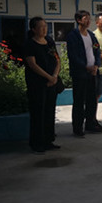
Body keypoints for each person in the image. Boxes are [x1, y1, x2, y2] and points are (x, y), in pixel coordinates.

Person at [24, 17, 61, 154]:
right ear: (33, 29)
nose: (44, 29)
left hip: (52, 83)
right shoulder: (30, 44)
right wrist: (48, 77)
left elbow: (57, 60)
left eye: (45, 26)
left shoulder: (50, 41)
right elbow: (32, 64)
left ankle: (48, 140)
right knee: (38, 113)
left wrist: (55, 76)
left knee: (49, 111)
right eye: (41, 27)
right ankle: (37, 143)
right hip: (37, 84)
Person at [66, 10, 102, 137]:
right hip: (80, 74)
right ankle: (77, 127)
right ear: (78, 20)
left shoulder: (91, 35)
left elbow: (97, 51)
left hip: (92, 73)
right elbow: (73, 56)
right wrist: (86, 67)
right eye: (85, 18)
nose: (88, 21)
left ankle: (90, 124)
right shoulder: (73, 36)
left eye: (89, 18)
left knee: (91, 100)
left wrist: (96, 65)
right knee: (79, 101)